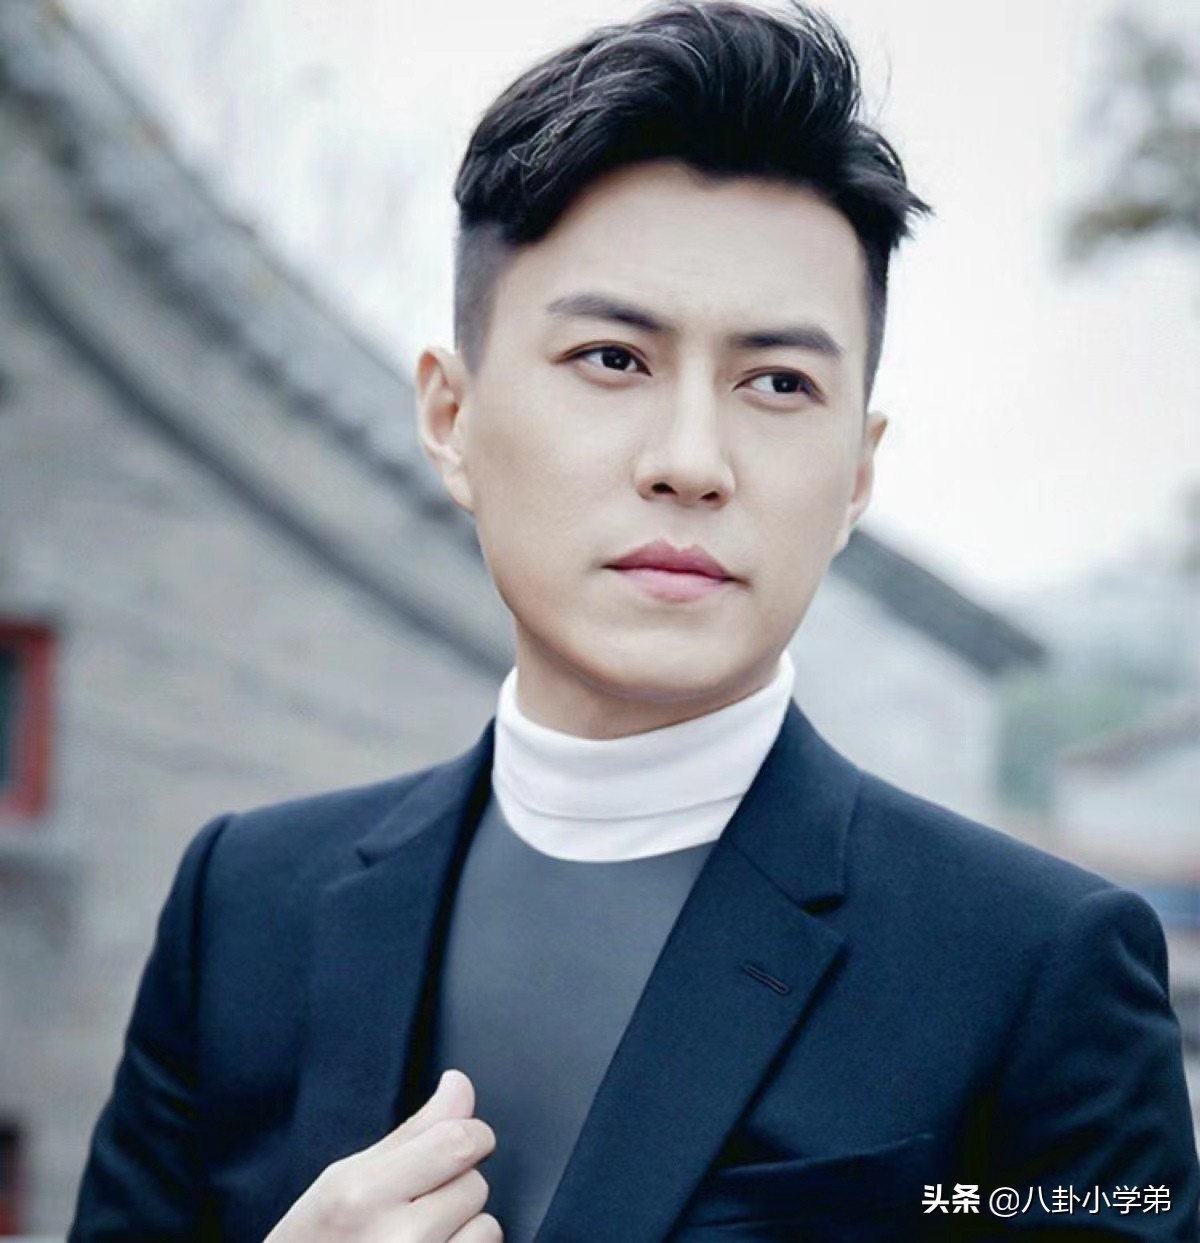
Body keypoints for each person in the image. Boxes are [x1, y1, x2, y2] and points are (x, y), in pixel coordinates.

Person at [68, 2, 1199, 1240]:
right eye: (613, 359)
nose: (691, 461)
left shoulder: (1035, 965)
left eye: (780, 382)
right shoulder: (242, 906)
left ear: (858, 475)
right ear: (450, 419)